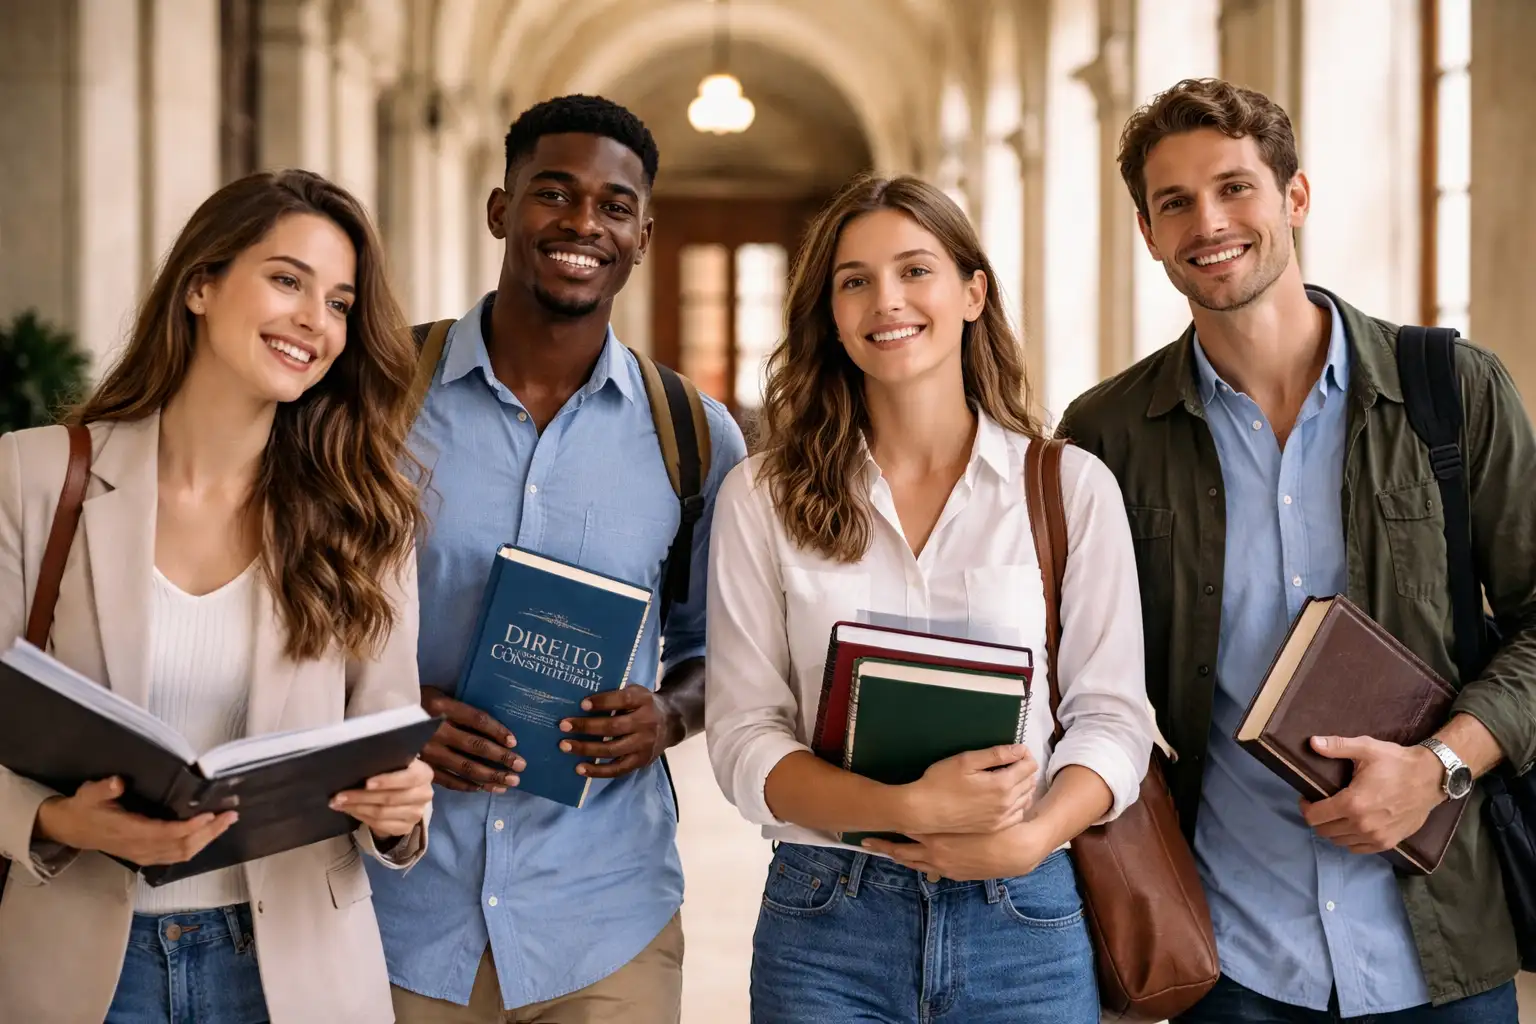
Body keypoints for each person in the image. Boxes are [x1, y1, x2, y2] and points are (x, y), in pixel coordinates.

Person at [1057, 77, 1536, 1022]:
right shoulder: (1105, 432)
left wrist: (1440, 766)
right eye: (1175, 202)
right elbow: (1077, 675)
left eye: (1236, 187)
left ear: (1295, 198)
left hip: (1440, 945)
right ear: (1148, 233)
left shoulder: (1450, 390)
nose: (1209, 222)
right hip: (1228, 958)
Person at [703, 173, 1154, 1024]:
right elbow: (742, 736)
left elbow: (1112, 720)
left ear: (972, 291)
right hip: (826, 922)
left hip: (1022, 916)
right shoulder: (760, 498)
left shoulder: (1068, 488)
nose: (887, 301)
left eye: (916, 271)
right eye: (855, 281)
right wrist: (903, 810)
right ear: (831, 315)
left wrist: (1030, 837)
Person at [0, 169, 436, 1023]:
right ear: (201, 283)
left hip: (293, 971)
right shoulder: (33, 475)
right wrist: (60, 821)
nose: (316, 320)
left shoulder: (364, 517)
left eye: (341, 303)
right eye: (287, 280)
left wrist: (400, 812)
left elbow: (388, 739)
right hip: (81, 966)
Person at [373, 94, 747, 1024]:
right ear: (502, 211)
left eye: (614, 206)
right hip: (390, 911)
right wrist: (387, 719)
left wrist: (667, 715)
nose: (584, 223)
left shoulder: (694, 438)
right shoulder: (377, 397)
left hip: (604, 922)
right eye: (554, 193)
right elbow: (293, 612)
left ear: (643, 235)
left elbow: (724, 647)